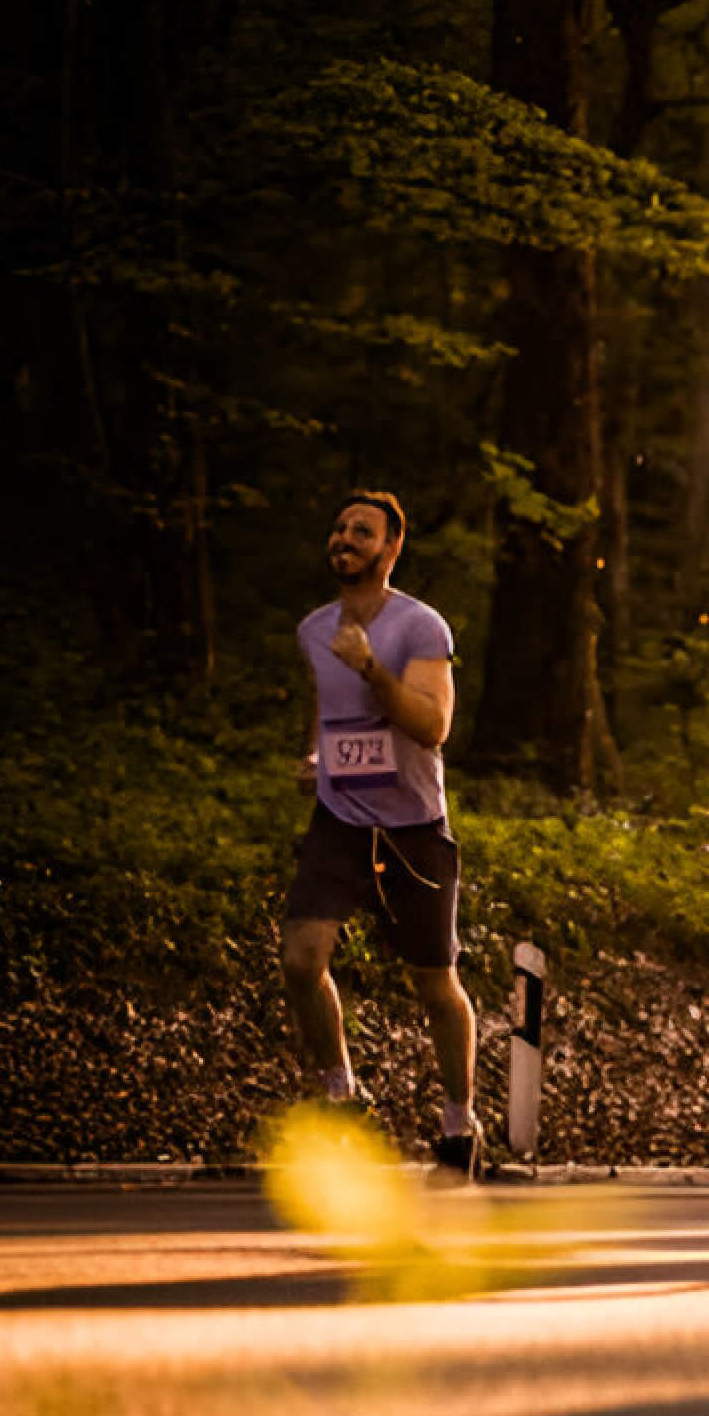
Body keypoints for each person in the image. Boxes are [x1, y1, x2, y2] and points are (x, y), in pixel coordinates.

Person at [278, 492, 484, 1178]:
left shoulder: (422, 628)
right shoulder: (314, 628)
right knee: (302, 959)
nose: (344, 539)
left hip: (413, 830)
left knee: (434, 981)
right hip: (339, 819)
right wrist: (317, 756)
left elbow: (433, 726)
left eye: (360, 532)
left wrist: (372, 668)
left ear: (391, 548)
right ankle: (342, 1095)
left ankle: (459, 1121)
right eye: (338, 528)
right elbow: (330, 712)